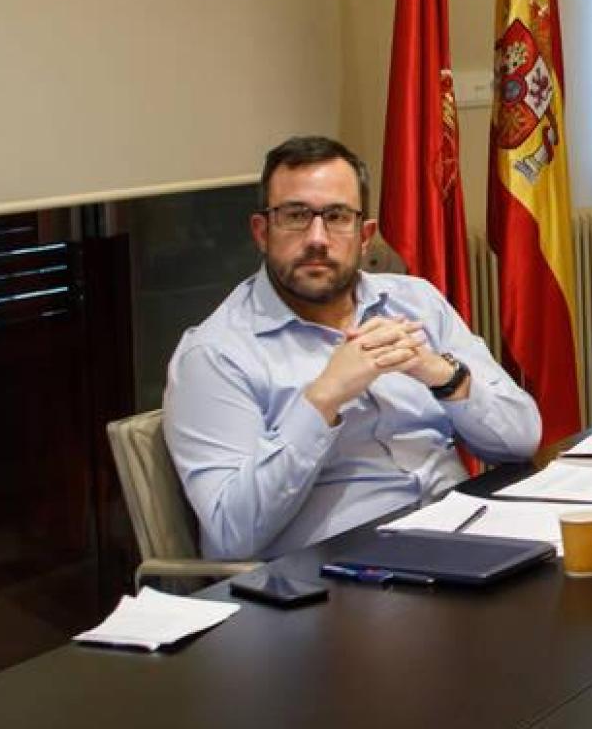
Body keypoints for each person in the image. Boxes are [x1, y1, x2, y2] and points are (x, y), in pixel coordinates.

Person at [164, 136, 541, 560]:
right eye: (295, 216)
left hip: (462, 534)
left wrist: (443, 375)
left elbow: (521, 441)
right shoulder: (216, 354)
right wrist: (323, 399)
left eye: (337, 217)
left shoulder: (416, 302)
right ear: (261, 232)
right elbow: (233, 534)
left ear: (364, 236)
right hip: (337, 580)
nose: (318, 238)